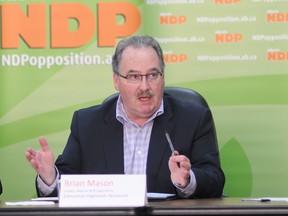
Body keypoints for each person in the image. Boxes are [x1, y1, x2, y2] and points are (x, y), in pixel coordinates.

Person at [26, 35, 225, 198]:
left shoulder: (193, 119)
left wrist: (188, 180)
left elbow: (215, 179)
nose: (145, 86)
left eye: (153, 75)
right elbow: (67, 183)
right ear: (116, 80)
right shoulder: (87, 124)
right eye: (134, 77)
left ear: (163, 77)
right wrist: (50, 177)